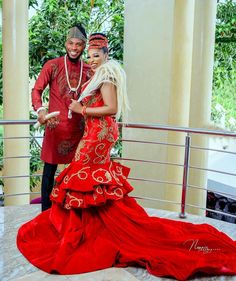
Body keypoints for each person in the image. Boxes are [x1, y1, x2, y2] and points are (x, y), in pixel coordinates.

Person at [18, 33, 236, 280]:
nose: (91, 59)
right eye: (89, 55)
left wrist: (82, 109)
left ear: (106, 54)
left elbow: (112, 108)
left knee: (81, 176)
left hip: (97, 134)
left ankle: (87, 230)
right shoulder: (95, 71)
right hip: (96, 131)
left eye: (95, 55)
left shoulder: (108, 74)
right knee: (85, 180)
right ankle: (91, 225)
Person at [31, 24, 90, 211]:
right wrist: (40, 111)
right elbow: (37, 90)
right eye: (71, 43)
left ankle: (74, 211)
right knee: (49, 173)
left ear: (84, 46)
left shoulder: (89, 70)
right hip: (55, 127)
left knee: (78, 173)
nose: (74, 48)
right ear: (66, 43)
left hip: (79, 130)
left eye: (79, 44)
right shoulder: (53, 65)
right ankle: (45, 214)